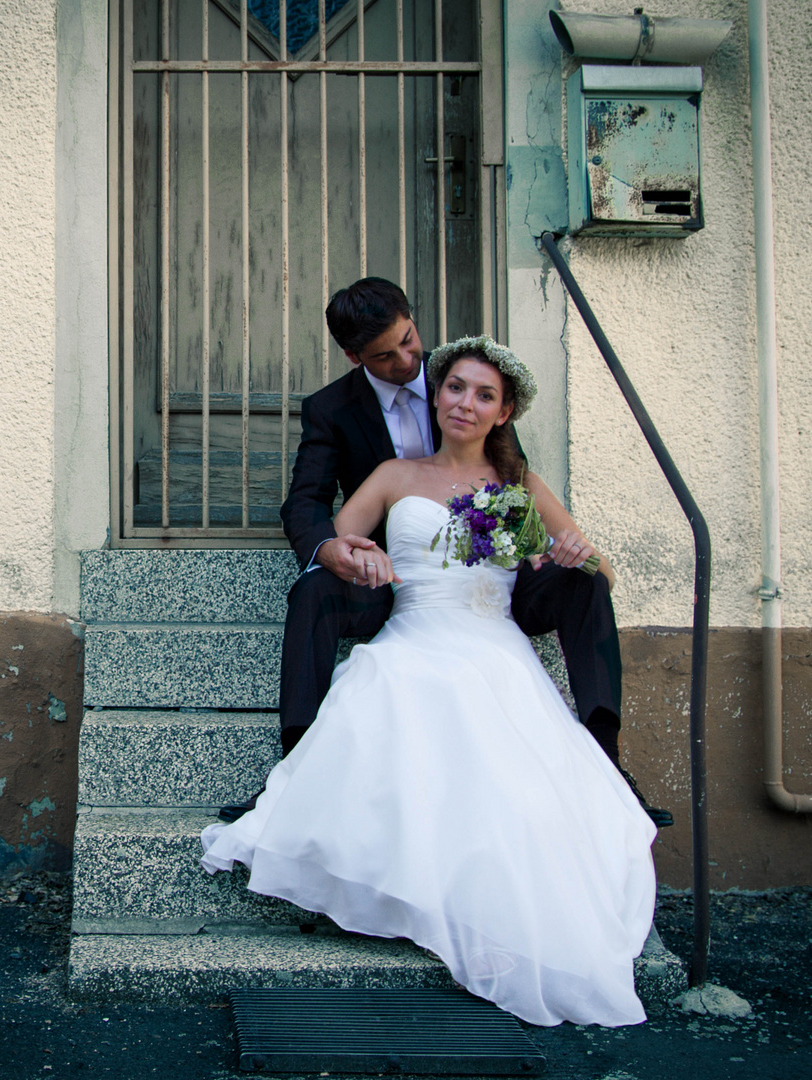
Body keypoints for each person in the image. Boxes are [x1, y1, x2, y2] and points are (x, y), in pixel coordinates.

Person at [201, 337, 657, 1026]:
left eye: (482, 395)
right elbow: (336, 548)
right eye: (454, 389)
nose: (463, 404)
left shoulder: (521, 488)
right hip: (413, 629)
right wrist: (358, 558)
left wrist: (574, 554)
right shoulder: (392, 473)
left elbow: (599, 575)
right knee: (399, 698)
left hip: (492, 639)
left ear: (503, 413)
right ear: (435, 395)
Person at [219, 278, 671, 829]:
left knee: (586, 582)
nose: (408, 361)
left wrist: (564, 552)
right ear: (354, 356)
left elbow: (509, 486)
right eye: (386, 355)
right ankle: (296, 769)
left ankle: (606, 758)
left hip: (491, 587)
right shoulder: (337, 414)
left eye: (410, 341)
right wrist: (335, 550)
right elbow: (307, 502)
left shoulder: (465, 375)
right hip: (398, 581)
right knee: (313, 587)